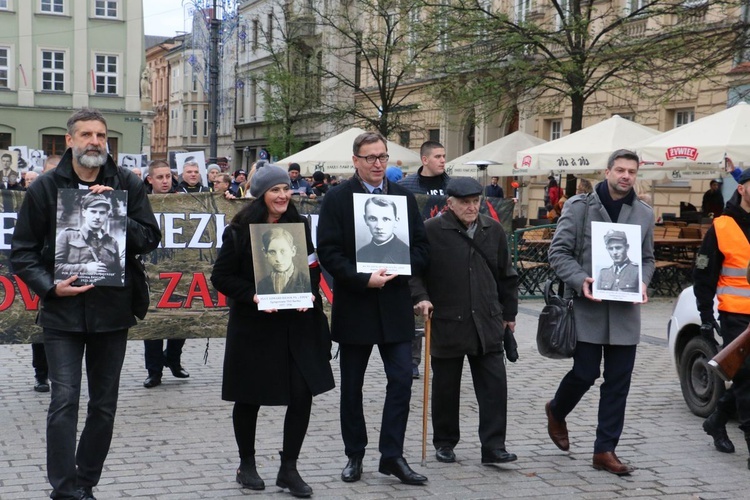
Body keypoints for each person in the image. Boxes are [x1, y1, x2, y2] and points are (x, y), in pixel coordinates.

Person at [10, 107, 161, 500]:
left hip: (112, 312)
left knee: (104, 406)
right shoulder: (45, 188)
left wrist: (119, 213)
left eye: (101, 135)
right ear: (71, 141)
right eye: (87, 135)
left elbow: (149, 238)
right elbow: (22, 252)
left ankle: (85, 483)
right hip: (62, 314)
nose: (95, 142)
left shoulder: (126, 182)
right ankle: (63, 490)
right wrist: (50, 287)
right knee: (64, 401)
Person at [210, 165, 334, 497]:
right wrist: (253, 295)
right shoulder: (238, 230)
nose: (282, 196)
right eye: (274, 190)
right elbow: (221, 278)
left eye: (285, 189)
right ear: (261, 193)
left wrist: (309, 291)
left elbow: (310, 266)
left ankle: (288, 468)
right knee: (249, 396)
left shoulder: (299, 225)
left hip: (297, 325)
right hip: (255, 328)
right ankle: (246, 464)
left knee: (301, 393)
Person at [317, 131, 429, 486]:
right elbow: (329, 252)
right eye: (370, 158)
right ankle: (355, 453)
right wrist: (363, 279)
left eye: (382, 157)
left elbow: (422, 249)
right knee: (352, 386)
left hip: (395, 304)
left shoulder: (404, 198)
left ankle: (392, 455)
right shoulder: (337, 198)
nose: (378, 164)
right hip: (357, 305)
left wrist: (401, 267)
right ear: (356, 161)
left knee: (400, 380)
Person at [545, 149, 654, 476]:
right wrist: (581, 281)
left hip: (624, 313)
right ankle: (556, 409)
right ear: (607, 171)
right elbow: (558, 252)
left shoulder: (644, 213)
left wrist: (644, 283)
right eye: (620, 170)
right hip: (587, 308)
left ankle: (605, 450)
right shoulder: (579, 207)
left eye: (631, 171)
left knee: (618, 382)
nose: (625, 176)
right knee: (585, 373)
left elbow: (647, 259)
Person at [411, 177, 518, 465]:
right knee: (446, 388)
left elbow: (507, 275)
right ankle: (444, 442)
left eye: (475, 202)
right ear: (450, 204)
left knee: (495, 387)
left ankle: (494, 446)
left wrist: (510, 314)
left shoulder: (491, 228)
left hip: (487, 320)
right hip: (447, 320)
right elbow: (415, 272)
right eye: (465, 202)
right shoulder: (432, 230)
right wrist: (421, 297)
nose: (472, 207)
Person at [694, 167, 750, 462]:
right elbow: (704, 274)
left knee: (745, 380)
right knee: (746, 377)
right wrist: (705, 317)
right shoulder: (723, 226)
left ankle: (716, 421)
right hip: (736, 316)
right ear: (741, 188)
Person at [399, 140, 450, 379]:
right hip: (414, 254)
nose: (442, 160)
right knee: (414, 308)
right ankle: (412, 361)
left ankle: (446, 355)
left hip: (445, 254)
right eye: (438, 156)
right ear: (425, 159)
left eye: (443, 156)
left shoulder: (453, 185)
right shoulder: (405, 186)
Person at [142, 159, 189, 389]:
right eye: (159, 177)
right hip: (150, 268)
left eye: (168, 177)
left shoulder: (184, 199)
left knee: (180, 315)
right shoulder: (140, 201)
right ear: (150, 179)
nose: (164, 181)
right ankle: (154, 370)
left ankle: (173, 358)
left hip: (178, 267)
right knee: (153, 320)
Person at [54, 193, 123, 284]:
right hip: (74, 291)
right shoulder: (67, 235)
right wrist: (85, 269)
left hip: (104, 293)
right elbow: (55, 267)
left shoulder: (112, 242)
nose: (97, 217)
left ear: (107, 215)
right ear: (84, 213)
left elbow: (117, 274)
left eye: (102, 213)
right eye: (93, 211)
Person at [356, 196, 410, 265]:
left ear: (396, 221)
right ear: (365, 219)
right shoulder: (360, 253)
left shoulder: (406, 253)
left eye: (386, 219)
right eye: (373, 218)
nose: (379, 226)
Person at [256, 226, 311, 294]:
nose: (278, 259)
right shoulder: (262, 285)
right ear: (265, 253)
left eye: (283, 251)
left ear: (293, 251)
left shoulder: (306, 282)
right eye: (272, 252)